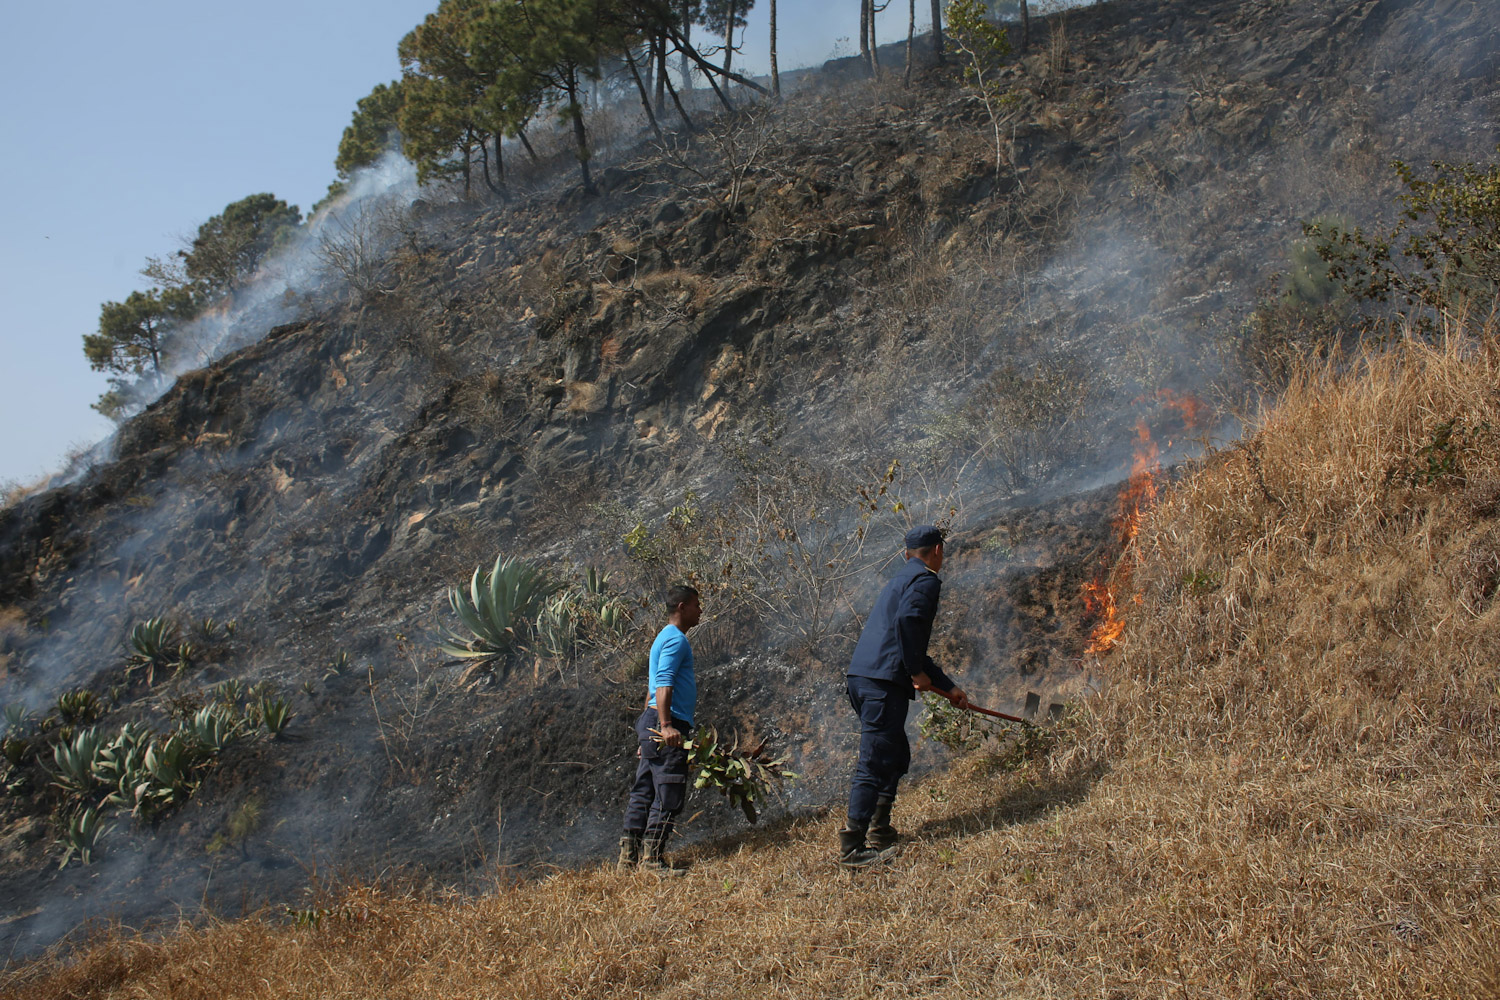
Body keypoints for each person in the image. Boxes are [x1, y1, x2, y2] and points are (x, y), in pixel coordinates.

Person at [840, 525, 970, 869]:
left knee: (895, 754)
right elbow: (909, 624)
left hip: (864, 678)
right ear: (938, 551)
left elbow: (904, 635)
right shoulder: (925, 581)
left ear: (906, 554)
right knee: (873, 760)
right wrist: (915, 673)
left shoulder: (900, 579)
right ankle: (853, 849)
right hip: (882, 683)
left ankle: (880, 830)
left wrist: (947, 685)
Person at [620, 583, 702, 872]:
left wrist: (647, 736)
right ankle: (651, 860)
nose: (700, 610)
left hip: (651, 720)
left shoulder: (663, 638)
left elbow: (650, 690)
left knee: (644, 789)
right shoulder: (676, 640)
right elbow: (663, 683)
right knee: (668, 789)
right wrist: (665, 726)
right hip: (666, 720)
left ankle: (628, 859)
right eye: (696, 605)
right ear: (681, 607)